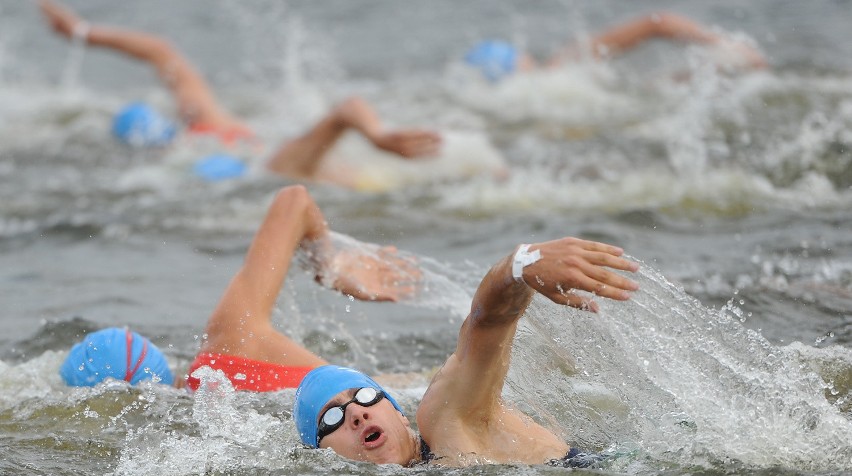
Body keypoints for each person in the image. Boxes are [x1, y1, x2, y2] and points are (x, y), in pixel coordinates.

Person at [293, 238, 640, 467]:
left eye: (366, 396)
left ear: (400, 414)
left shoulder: (445, 419)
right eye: (332, 417)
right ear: (322, 456)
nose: (356, 413)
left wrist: (520, 267)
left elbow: (486, 323)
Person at [39, 0, 442, 187]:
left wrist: (378, 137)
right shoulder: (212, 124)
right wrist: (80, 31)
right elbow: (160, 50)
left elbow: (346, 110)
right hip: (391, 174)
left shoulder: (274, 166)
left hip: (384, 179)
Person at [60, 184, 420, 390]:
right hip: (403, 395)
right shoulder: (229, 345)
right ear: (154, 357)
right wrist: (330, 270)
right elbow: (293, 201)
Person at [464, 11, 767, 83]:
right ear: (522, 61)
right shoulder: (562, 64)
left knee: (661, 88)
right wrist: (729, 46)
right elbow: (656, 22)